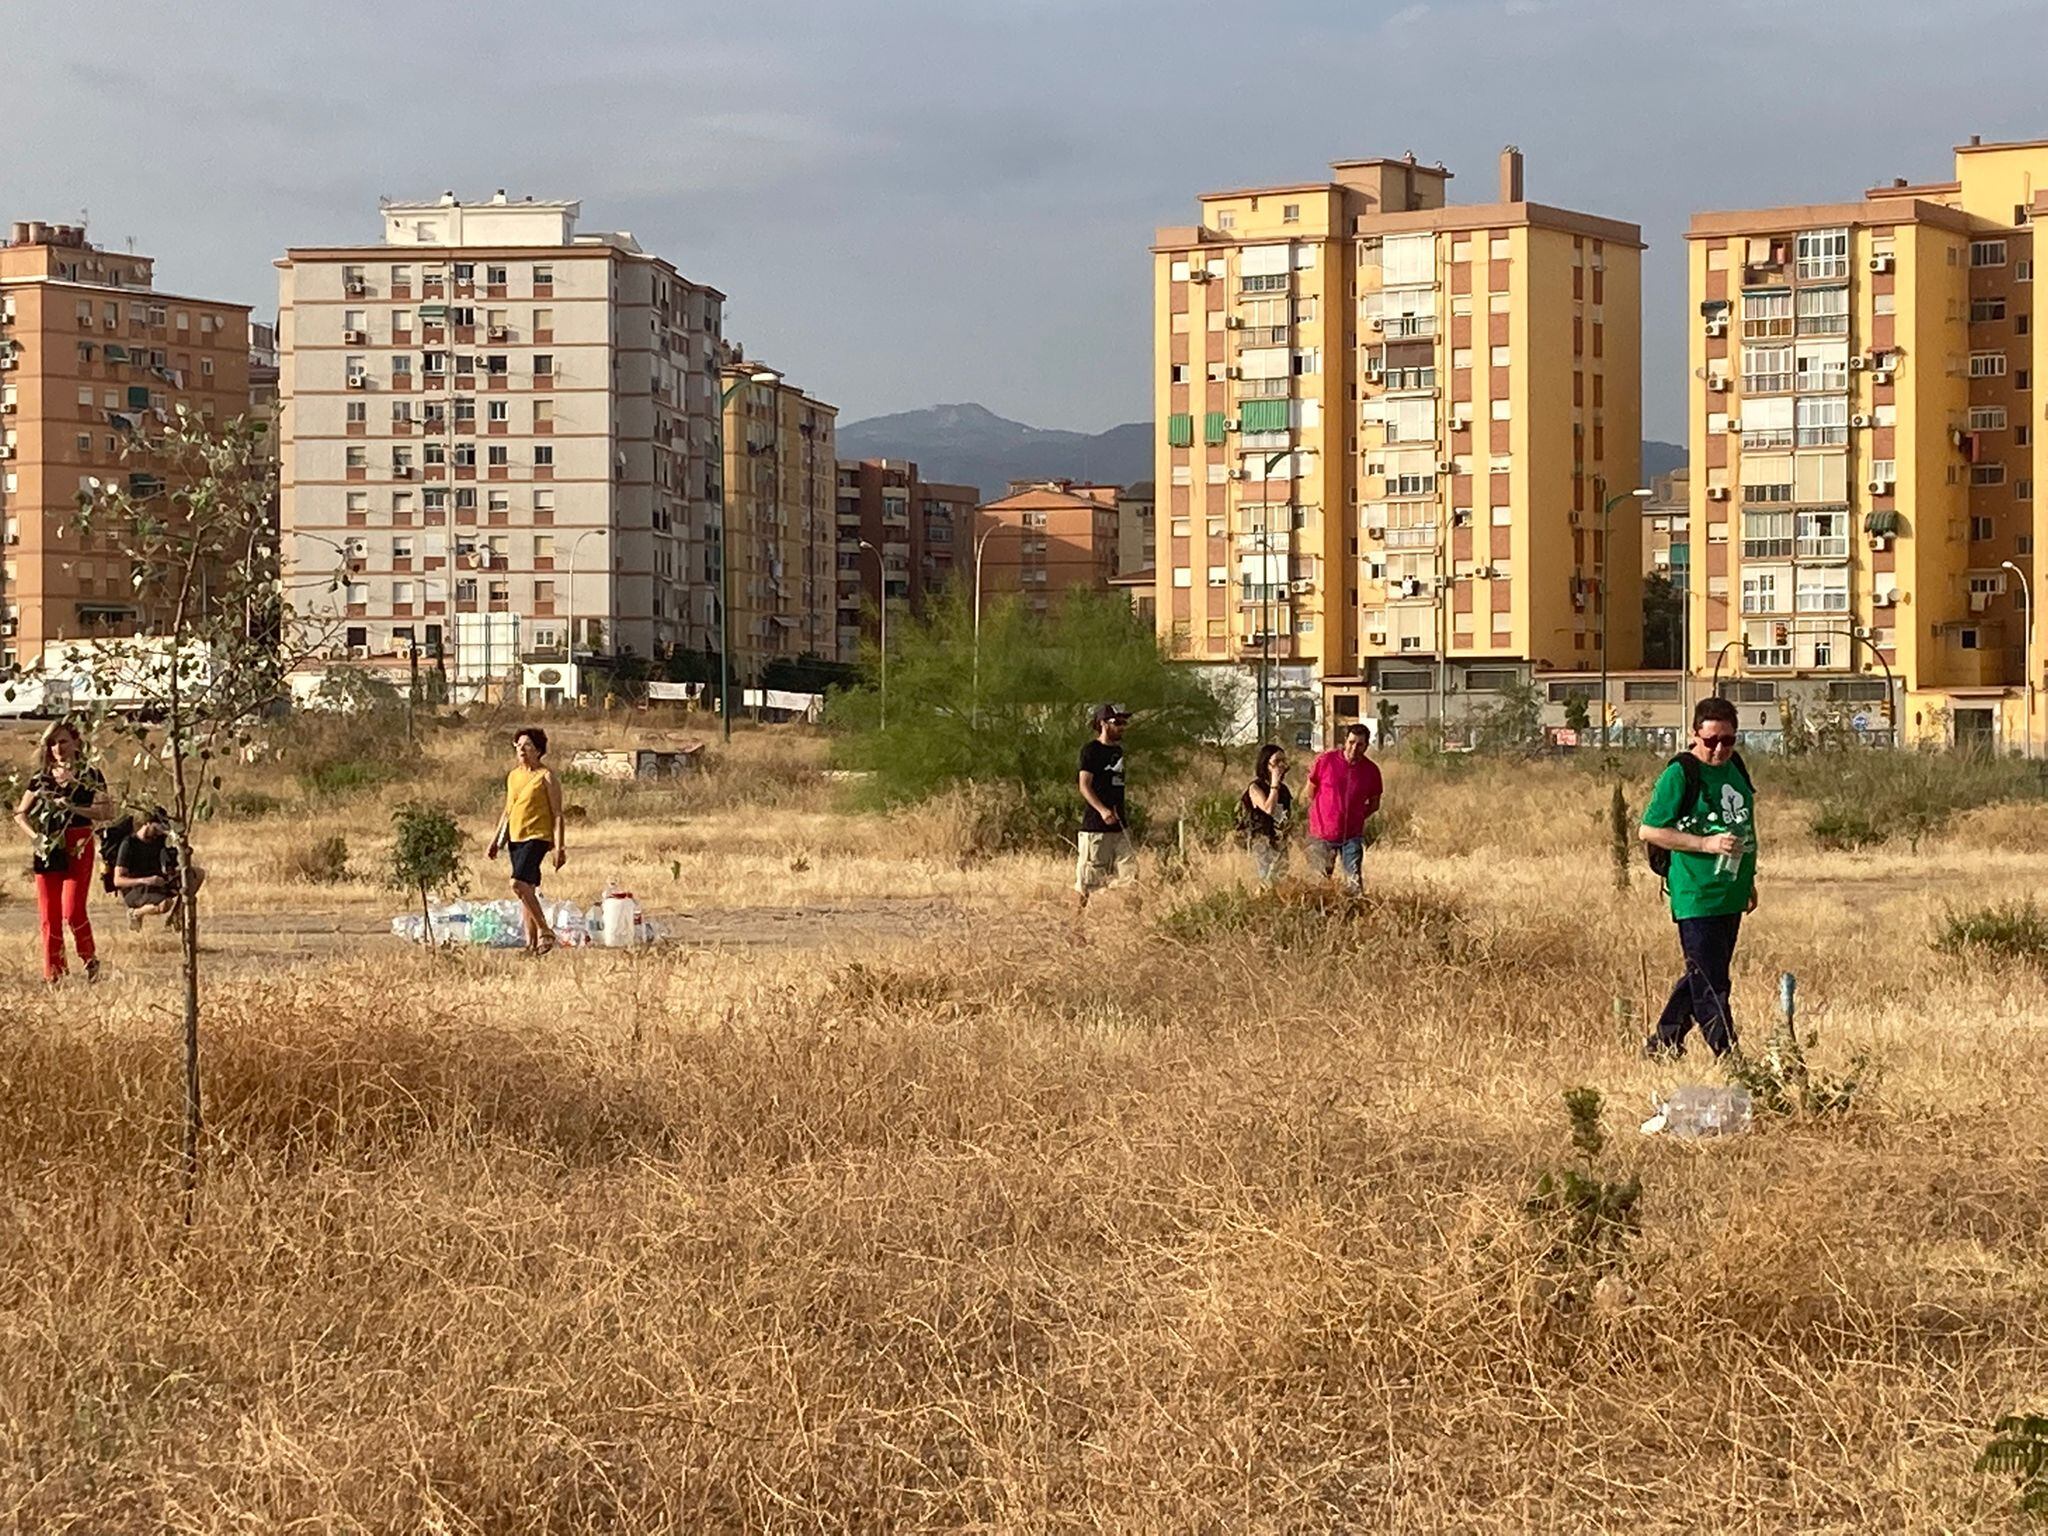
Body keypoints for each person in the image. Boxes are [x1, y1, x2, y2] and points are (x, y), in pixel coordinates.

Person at [1639, 697, 1759, 1058]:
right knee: (1712, 982)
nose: (1720, 748)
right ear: (1694, 735)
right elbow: (1649, 830)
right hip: (1696, 892)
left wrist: (1748, 881)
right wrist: (1704, 844)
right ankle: (1729, 1055)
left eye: (1728, 740)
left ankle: (1664, 1042)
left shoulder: (1735, 766)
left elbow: (1742, 826)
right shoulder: (1681, 772)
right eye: (1711, 741)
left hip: (1730, 890)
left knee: (1704, 972)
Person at [14, 721, 112, 983]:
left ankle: (89, 958)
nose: (58, 748)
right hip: (47, 844)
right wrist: (36, 838)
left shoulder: (90, 774)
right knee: (49, 914)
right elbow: (19, 814)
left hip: (78, 841)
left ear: (76, 742)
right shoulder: (41, 777)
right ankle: (53, 974)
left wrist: (72, 808)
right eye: (52, 743)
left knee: (72, 909)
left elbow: (106, 812)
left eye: (63, 741)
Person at [487, 726, 566, 955]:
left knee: (517, 883)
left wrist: (560, 847)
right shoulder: (513, 776)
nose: (522, 748)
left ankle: (546, 931)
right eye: (518, 745)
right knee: (526, 889)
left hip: (537, 836)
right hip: (515, 836)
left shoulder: (546, 777)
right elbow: (508, 810)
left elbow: (558, 814)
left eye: (527, 745)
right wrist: (495, 841)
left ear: (538, 750)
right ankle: (531, 946)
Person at [1304, 723, 1383, 896]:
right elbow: (1310, 791)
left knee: (1354, 884)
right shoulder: (1326, 761)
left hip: (1351, 837)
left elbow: (1375, 803)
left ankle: (1353, 914)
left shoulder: (1371, 771)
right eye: (1351, 742)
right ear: (1344, 741)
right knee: (1320, 884)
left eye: (1360, 744)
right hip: (1321, 835)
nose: (1354, 748)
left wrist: (1358, 816)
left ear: (1366, 746)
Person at [1074, 702, 1135, 907]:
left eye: (1124, 722)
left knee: (1130, 875)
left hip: (1120, 825)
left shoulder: (1118, 751)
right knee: (1089, 878)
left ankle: (1131, 919)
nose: (1121, 726)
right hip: (1096, 827)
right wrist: (1102, 810)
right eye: (1116, 722)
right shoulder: (1091, 751)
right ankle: (1078, 922)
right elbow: (1084, 785)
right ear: (1102, 724)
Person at [112, 809, 205, 929]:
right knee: (165, 904)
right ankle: (135, 914)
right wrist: (146, 880)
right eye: (157, 827)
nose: (160, 831)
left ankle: (176, 917)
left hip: (158, 882)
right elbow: (118, 880)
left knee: (196, 874)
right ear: (148, 823)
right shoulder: (129, 844)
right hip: (135, 890)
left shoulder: (159, 839)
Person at [1239, 743, 1293, 886]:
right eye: (1276, 762)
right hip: (1261, 841)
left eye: (1283, 761)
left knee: (1280, 878)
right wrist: (1274, 785)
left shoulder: (1284, 791)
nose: (1281, 766)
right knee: (1266, 880)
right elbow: (1268, 808)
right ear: (1266, 764)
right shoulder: (1256, 787)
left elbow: (1285, 815)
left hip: (1279, 840)